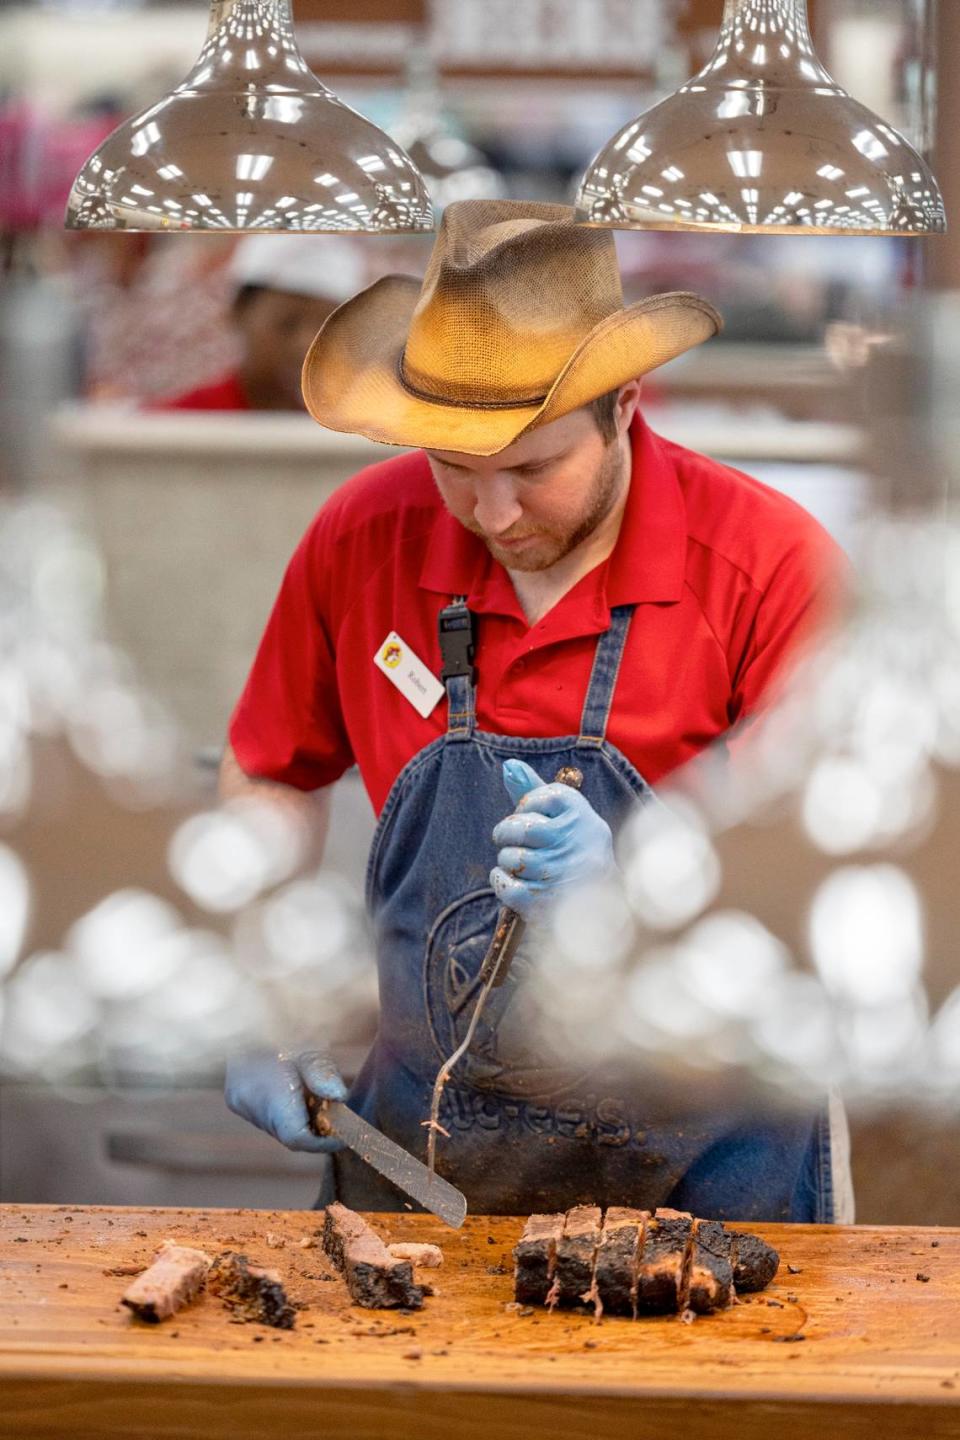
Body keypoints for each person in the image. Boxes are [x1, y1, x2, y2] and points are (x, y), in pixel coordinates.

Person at [221, 201, 849, 1221]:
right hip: (424, 1164)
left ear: (627, 404)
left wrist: (654, 889)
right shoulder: (362, 536)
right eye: (455, 469)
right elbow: (268, 771)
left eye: (531, 469)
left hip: (707, 1183)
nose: (494, 516)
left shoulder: (764, 566)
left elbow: (840, 874)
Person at [152, 235, 365, 412]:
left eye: (326, 329)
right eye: (287, 324)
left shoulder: (360, 427)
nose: (306, 343)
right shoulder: (180, 421)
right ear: (239, 313)